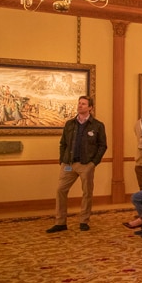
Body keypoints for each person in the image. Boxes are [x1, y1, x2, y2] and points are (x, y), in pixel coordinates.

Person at [46, 95, 107, 233]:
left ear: (90, 107)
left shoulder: (97, 125)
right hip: (68, 164)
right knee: (60, 190)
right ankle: (60, 222)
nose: (80, 105)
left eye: (83, 104)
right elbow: (63, 143)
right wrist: (62, 159)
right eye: (79, 103)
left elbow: (102, 146)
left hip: (86, 164)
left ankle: (84, 221)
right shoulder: (70, 124)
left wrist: (93, 163)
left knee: (87, 193)